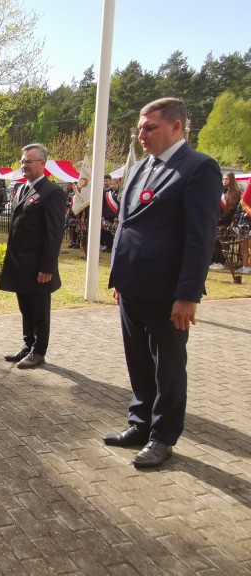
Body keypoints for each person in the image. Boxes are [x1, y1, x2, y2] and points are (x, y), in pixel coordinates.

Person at [104, 97, 223, 469]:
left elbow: (200, 237)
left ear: (176, 127)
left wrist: (188, 295)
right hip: (132, 285)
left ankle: (162, 437)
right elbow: (127, 224)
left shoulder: (198, 167)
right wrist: (119, 277)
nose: (142, 135)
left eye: (150, 128)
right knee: (138, 361)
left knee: (167, 366)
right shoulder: (142, 166)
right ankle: (140, 425)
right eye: (140, 128)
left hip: (168, 291)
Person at [0, 143, 66, 369]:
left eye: (29, 161)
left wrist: (47, 267)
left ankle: (39, 352)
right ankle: (28, 345)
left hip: (38, 266)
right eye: (22, 161)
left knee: (40, 311)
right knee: (25, 309)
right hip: (20, 263)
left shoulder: (52, 192)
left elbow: (54, 234)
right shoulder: (21, 189)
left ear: (42, 163)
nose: (24, 165)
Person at [209, 173, 242, 270]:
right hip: (216, 220)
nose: (224, 181)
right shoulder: (220, 191)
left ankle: (220, 262)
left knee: (221, 241)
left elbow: (232, 209)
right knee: (213, 241)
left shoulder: (236, 193)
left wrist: (222, 217)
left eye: (226, 179)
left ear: (231, 180)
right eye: (223, 179)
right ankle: (212, 261)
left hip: (227, 221)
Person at [100, 174, 118, 252]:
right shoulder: (106, 192)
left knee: (112, 231)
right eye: (104, 181)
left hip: (114, 214)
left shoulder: (116, 192)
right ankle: (108, 245)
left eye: (106, 181)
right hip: (107, 214)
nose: (105, 182)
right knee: (107, 230)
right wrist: (103, 215)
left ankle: (112, 246)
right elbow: (103, 204)